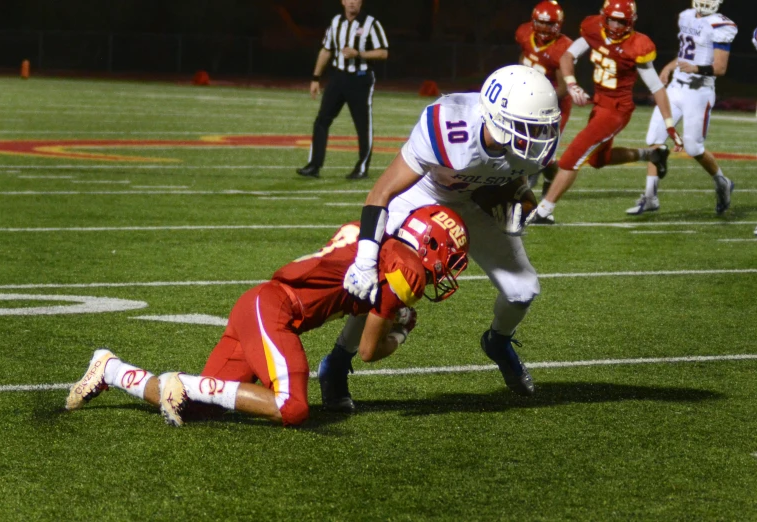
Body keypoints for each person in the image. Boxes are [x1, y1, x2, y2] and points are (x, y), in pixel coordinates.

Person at [65, 205, 469, 427]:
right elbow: (367, 350)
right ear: (430, 244)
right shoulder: (406, 270)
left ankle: (111, 369)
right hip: (274, 310)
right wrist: (400, 334)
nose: (448, 268)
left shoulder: (376, 244)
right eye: (450, 256)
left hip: (258, 304)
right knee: (292, 406)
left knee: (198, 407)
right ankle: (179, 381)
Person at [318, 64, 562, 412]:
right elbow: (381, 193)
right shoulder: (448, 125)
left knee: (522, 290)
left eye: (543, 126)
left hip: (471, 203)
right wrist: (366, 260)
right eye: (530, 127)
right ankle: (337, 362)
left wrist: (520, 199)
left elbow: (511, 179)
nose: (540, 135)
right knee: (379, 283)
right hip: (423, 193)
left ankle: (498, 341)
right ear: (497, 117)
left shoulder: (527, 140)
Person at [528, 0, 685, 225]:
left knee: (573, 155)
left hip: (616, 110)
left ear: (631, 21)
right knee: (599, 160)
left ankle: (544, 210)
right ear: (604, 16)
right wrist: (572, 84)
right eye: (612, 19)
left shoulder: (637, 45)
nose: (616, 25)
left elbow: (656, 88)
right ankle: (652, 155)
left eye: (621, 21)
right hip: (599, 104)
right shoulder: (593, 29)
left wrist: (669, 124)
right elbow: (567, 57)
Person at [627, 0, 737, 216]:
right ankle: (650, 197)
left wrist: (695, 68)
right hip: (676, 88)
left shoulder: (721, 25)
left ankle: (722, 182)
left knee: (694, 148)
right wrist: (669, 67)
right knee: (654, 141)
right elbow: (686, 54)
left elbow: (720, 67)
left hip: (699, 92)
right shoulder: (686, 16)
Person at [296, 0, 389, 180]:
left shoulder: (371, 23)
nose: (352, 2)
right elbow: (326, 50)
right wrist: (316, 78)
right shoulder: (336, 22)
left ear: (361, 2)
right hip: (338, 77)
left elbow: (383, 52)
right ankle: (314, 165)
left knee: (362, 125)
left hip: (360, 78)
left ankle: (361, 167)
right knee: (322, 120)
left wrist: (359, 54)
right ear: (343, 2)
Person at [516, 0, 573, 201]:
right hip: (528, 100)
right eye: (540, 23)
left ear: (558, 25)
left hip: (554, 106)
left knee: (544, 155)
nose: (544, 28)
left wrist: (538, 99)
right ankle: (522, 185)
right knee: (521, 144)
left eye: (549, 24)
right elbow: (524, 57)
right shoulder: (524, 33)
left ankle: (547, 182)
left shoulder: (563, 47)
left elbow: (564, 89)